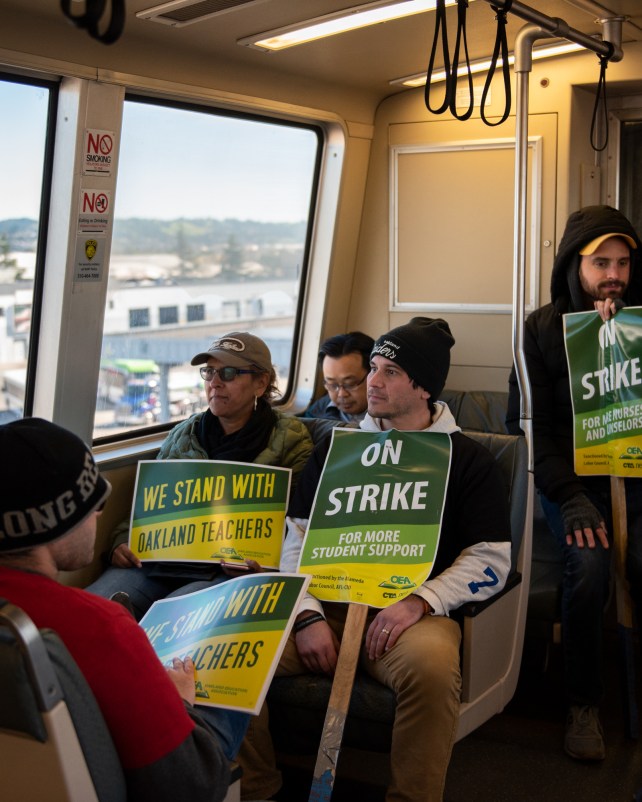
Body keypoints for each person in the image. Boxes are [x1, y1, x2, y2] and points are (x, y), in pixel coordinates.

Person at [239, 317, 512, 802]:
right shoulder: (336, 450)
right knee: (232, 652)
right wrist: (305, 615)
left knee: (431, 670)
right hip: (325, 603)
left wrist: (422, 602)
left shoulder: (468, 460)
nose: (372, 382)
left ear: (423, 386)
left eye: (389, 372)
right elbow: (296, 537)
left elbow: (489, 560)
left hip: (409, 612)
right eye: (374, 369)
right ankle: (256, 789)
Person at [0, 417, 244, 802]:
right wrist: (179, 701)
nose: (100, 513)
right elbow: (191, 785)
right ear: (56, 519)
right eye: (95, 500)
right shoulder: (100, 626)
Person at [506, 205, 642, 761]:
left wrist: (625, 347)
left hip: (633, 474)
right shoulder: (539, 329)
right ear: (575, 263)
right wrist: (569, 495)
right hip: (571, 482)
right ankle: (584, 701)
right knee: (587, 568)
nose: (613, 274)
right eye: (601, 262)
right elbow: (530, 425)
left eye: (623, 263)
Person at [87, 331, 313, 620]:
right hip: (159, 563)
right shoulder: (184, 433)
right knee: (95, 610)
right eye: (209, 372)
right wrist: (121, 541)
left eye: (229, 373)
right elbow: (149, 507)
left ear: (261, 382)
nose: (215, 383)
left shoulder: (291, 440)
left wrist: (264, 566)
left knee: (166, 624)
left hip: (223, 573)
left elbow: (298, 527)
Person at [303, 330, 374, 423]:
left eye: (350, 384)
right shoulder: (315, 414)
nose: (341, 394)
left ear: (373, 375)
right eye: (332, 385)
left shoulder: (393, 418)